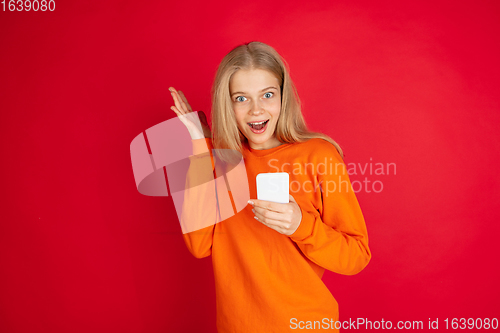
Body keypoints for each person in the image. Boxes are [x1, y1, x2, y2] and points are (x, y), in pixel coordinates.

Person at [168, 41, 371, 332]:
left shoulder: (318, 155)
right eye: (241, 98)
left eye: (267, 94)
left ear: (283, 97)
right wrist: (202, 151)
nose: (256, 110)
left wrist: (301, 225)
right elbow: (199, 246)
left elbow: (356, 256)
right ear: (227, 103)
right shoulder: (223, 162)